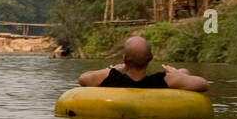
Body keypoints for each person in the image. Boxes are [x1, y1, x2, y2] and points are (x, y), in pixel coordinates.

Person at [77, 35, 209, 92]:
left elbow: (83, 78)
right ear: (150, 58)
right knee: (183, 71)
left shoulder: (111, 76)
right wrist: (177, 74)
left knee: (183, 71)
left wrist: (110, 69)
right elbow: (202, 84)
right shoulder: (162, 80)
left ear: (124, 59)